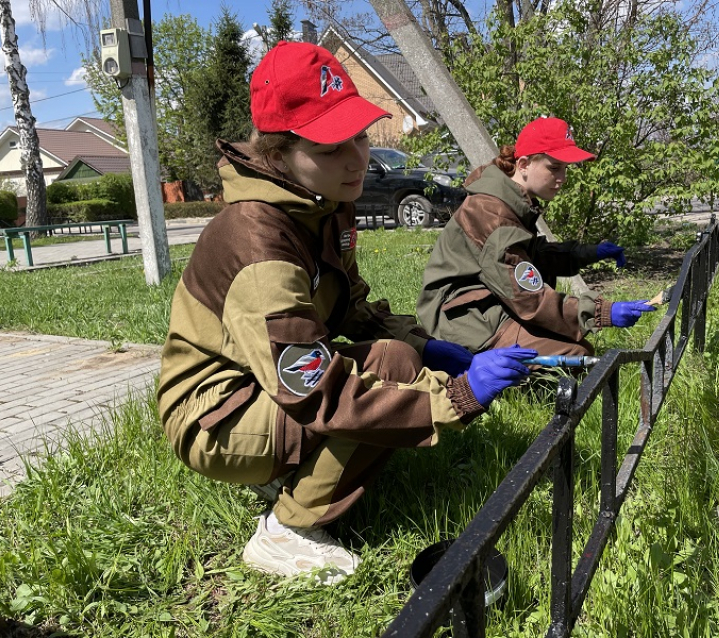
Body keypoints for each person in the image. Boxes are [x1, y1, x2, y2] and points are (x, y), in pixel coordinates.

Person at [156, 41, 537, 585]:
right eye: (331, 146)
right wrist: (456, 396)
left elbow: (351, 308)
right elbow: (319, 394)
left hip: (256, 387)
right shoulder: (259, 240)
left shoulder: (323, 206)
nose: (358, 158)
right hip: (214, 416)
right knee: (382, 379)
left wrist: (428, 346)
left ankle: (285, 469)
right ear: (277, 153)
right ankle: (288, 530)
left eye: (358, 134)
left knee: (398, 357)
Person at [416, 116, 655, 360]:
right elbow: (528, 298)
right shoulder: (494, 213)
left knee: (568, 341)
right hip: (458, 319)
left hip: (484, 302)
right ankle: (465, 369)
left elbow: (533, 255)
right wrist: (601, 312)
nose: (562, 178)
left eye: (565, 169)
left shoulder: (511, 199)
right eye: (554, 168)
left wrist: (590, 252)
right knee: (576, 354)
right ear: (523, 164)